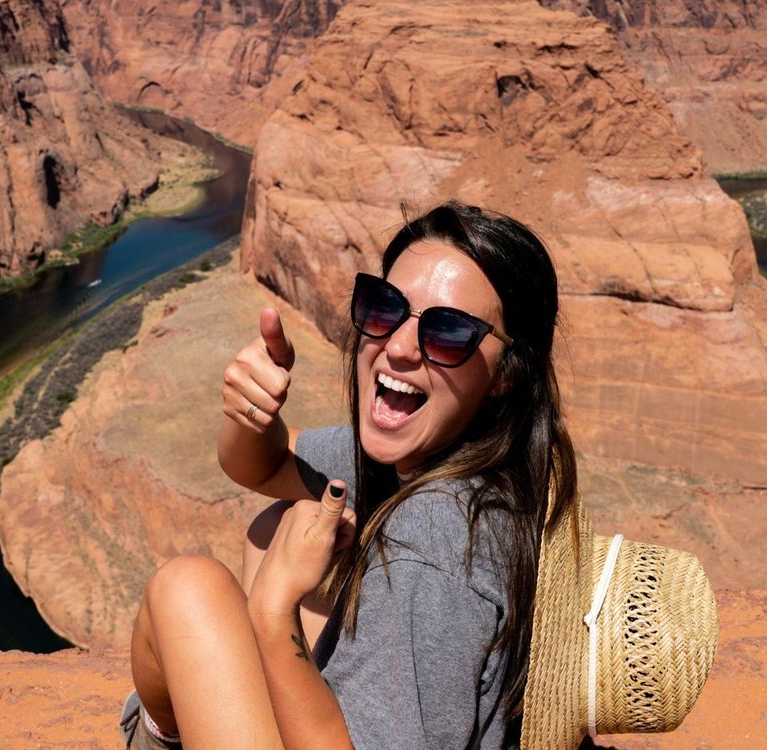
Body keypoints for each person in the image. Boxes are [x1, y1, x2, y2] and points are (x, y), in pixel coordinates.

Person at [120, 201, 578, 749]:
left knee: (187, 590)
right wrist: (249, 415)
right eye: (385, 307)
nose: (400, 348)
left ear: (508, 372)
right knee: (276, 526)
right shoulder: (481, 458)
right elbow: (265, 465)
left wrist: (272, 610)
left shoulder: (433, 539)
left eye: (450, 332)